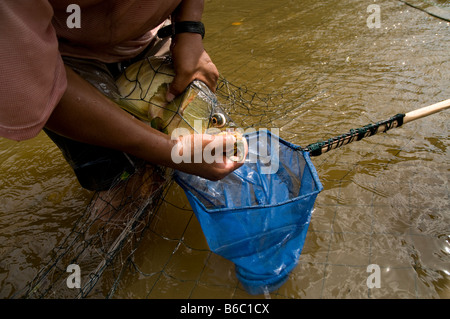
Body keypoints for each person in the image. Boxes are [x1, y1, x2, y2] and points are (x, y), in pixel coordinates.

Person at [0, 0, 244, 191]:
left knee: (168, 169)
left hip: (146, 31)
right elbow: (31, 83)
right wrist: (169, 150)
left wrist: (188, 30)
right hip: (59, 55)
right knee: (130, 187)